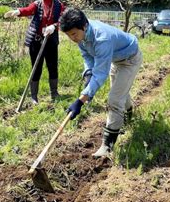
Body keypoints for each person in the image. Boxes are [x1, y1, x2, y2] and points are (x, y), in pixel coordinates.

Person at [59, 8, 142, 158]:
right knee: (120, 91)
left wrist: (81, 100)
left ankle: (107, 146)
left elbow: (100, 74)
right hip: (114, 59)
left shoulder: (101, 38)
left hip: (130, 59)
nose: (72, 38)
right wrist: (88, 73)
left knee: (114, 99)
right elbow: (88, 57)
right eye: (68, 35)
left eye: (73, 34)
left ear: (84, 26)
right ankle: (129, 117)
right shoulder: (82, 36)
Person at [4, 0, 66, 103]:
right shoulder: (37, 4)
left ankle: (54, 94)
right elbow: (28, 10)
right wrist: (17, 12)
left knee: (53, 66)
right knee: (36, 67)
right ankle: (34, 96)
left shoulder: (59, 5)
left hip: (51, 41)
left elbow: (63, 19)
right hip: (36, 41)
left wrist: (54, 26)